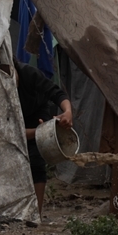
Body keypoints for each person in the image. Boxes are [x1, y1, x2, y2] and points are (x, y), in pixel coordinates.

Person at [14, 59, 72, 218]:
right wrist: (38, 132)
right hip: (12, 121)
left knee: (36, 158)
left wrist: (67, 112)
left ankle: (36, 214)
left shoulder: (29, 74)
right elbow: (10, 133)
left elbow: (57, 93)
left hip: (36, 113)